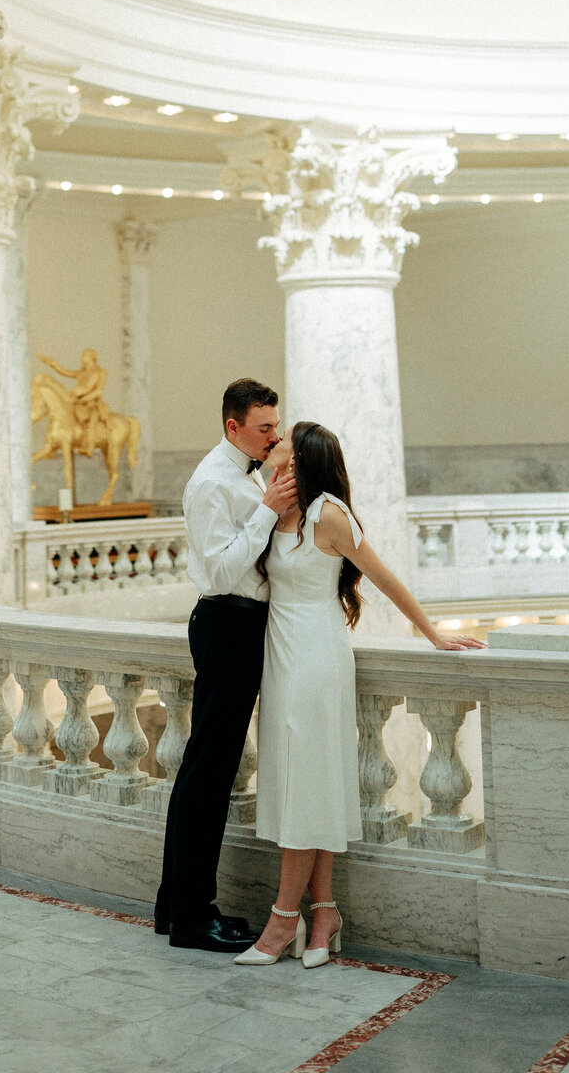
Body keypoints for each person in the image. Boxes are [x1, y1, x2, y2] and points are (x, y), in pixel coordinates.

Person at [235, 420, 484, 968]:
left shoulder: (329, 513)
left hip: (316, 655)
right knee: (307, 780)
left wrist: (433, 633)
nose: (275, 447)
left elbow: (385, 577)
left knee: (306, 780)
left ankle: (282, 922)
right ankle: (324, 911)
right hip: (280, 653)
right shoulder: (279, 507)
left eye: (284, 445)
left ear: (302, 460)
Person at [154, 377, 298, 952]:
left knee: (205, 772)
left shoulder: (245, 472)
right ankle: (192, 916)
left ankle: (175, 907)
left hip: (240, 626)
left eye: (276, 425)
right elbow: (217, 572)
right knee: (207, 776)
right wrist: (265, 511)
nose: (275, 436)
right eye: (264, 428)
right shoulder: (214, 481)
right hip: (227, 624)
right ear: (232, 426)